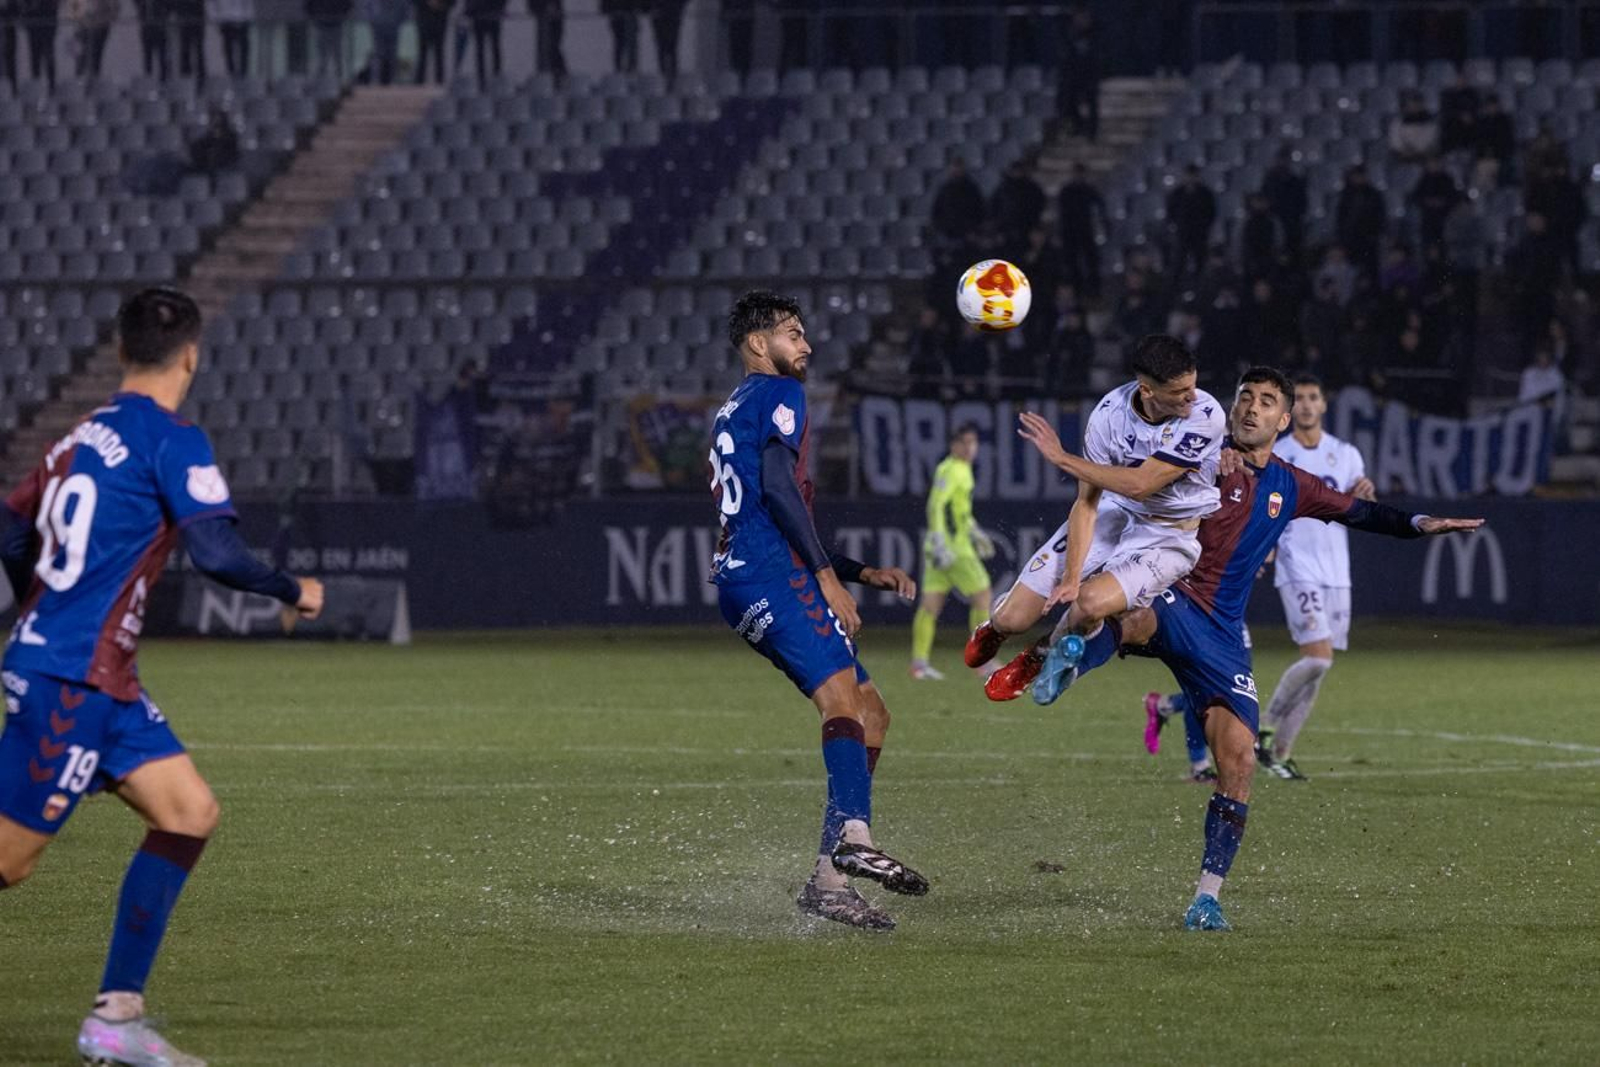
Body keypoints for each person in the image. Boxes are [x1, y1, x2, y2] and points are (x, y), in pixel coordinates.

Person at [1017, 367, 1483, 929]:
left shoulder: (1292, 483)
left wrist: (1421, 522)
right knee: (1137, 613)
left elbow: (1359, 512)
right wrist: (1204, 459)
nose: (1250, 407)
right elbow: (1139, 471)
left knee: (1238, 761)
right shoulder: (1200, 448)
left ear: (1282, 420)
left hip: (1222, 634)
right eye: (1244, 397)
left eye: (1266, 401)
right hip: (1171, 588)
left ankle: (1206, 899)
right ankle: (1070, 661)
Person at [0, 289, 325, 1063]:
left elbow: (11, 528)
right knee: (7, 864)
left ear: (120, 352)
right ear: (192, 355)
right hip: (71, 682)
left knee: (188, 812)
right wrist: (292, 588)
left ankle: (116, 1018)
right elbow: (216, 552)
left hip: (96, 679)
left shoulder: (80, 435)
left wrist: (36, 609)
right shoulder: (170, 440)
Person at [709, 290, 925, 931]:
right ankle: (853, 839)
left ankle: (828, 882)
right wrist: (831, 581)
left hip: (748, 577)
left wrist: (861, 572)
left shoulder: (735, 408)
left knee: (873, 715)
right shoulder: (781, 395)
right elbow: (776, 491)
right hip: (772, 577)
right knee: (841, 700)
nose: (806, 345)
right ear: (759, 344)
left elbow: (773, 507)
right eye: (794, 334)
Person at [964, 335, 1226, 701]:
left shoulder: (1206, 416)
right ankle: (993, 628)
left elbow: (1140, 484)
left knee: (1089, 604)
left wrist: (1062, 458)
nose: (1192, 397)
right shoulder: (1108, 416)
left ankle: (1037, 657)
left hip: (1166, 537)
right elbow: (1087, 503)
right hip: (1112, 512)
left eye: (1193, 384)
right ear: (1147, 391)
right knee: (1014, 618)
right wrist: (1070, 576)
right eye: (1181, 390)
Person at [1254, 375, 1374, 780]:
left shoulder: (1347, 455)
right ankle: (1265, 727)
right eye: (1299, 399)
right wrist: (1263, 547)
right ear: (1289, 410)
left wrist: (1365, 499)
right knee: (1317, 657)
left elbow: (1355, 511)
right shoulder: (1279, 454)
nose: (1306, 405)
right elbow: (1265, 508)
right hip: (1297, 565)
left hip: (1337, 572)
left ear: (1323, 405)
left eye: (1312, 398)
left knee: (1319, 668)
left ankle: (1280, 754)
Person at [910, 424, 996, 681]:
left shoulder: (960, 469)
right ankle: (982, 660)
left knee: (930, 605)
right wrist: (939, 540)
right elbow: (936, 504)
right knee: (983, 595)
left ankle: (919, 664)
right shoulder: (953, 469)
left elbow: (958, 511)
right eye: (965, 443)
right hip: (953, 550)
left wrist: (974, 530)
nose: (970, 448)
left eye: (974, 443)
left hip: (942, 549)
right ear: (954, 445)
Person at [1056, 162, 1105, 298]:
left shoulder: (1089, 191)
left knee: (1091, 263)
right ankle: (1077, 292)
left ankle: (1094, 292)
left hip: (1086, 231)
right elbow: (1062, 214)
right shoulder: (1066, 192)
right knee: (1073, 265)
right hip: (1070, 232)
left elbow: (1100, 210)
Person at [1335, 164, 1386, 281]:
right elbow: (1341, 218)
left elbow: (1380, 217)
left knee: (1370, 271)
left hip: (1369, 239)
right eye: (1356, 176)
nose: (1358, 178)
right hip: (1351, 240)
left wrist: (1375, 233)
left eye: (1361, 175)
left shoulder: (1374, 195)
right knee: (1351, 272)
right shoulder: (1346, 195)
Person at [1166, 164, 1217, 280]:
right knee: (1179, 264)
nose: (1191, 178)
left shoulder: (1205, 194)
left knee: (1200, 263)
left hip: (1200, 234)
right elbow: (1171, 213)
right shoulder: (1177, 194)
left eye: (1193, 175)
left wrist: (1204, 226)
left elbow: (1211, 213)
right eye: (1189, 175)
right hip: (1182, 234)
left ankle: (1200, 289)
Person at [1260, 146, 1307, 262]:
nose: (1283, 162)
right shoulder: (1269, 180)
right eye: (1281, 159)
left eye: (1285, 159)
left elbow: (1302, 204)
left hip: (1292, 225)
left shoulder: (1296, 181)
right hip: (1274, 223)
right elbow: (1265, 200)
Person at [1059, 6, 1099, 140]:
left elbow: (1099, 56)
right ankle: (1077, 127)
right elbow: (1067, 56)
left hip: (1090, 76)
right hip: (1075, 76)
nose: (1081, 20)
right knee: (1068, 102)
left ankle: (1092, 133)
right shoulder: (1070, 35)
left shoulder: (1095, 35)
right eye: (1078, 17)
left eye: (1084, 17)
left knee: (1092, 103)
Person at [930, 157, 984, 247]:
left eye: (959, 166)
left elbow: (979, 210)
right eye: (954, 166)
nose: (957, 169)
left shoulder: (971, 189)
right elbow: (937, 211)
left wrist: (974, 230)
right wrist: (942, 229)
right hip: (948, 234)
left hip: (968, 235)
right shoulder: (945, 189)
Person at [67, 0, 118, 79]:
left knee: (95, 59)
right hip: (82, 28)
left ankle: (94, 83)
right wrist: (79, 18)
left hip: (100, 27)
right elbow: (72, 9)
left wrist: (102, 19)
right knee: (81, 60)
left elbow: (114, 9)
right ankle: (79, 83)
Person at [359, 0, 406, 83]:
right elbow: (366, 8)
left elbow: (404, 7)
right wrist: (372, 21)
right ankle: (376, 80)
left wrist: (399, 21)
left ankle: (392, 80)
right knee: (378, 54)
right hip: (378, 27)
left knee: (392, 55)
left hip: (393, 26)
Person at [464, 0, 504, 86]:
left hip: (491, 14)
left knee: (493, 49)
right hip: (480, 15)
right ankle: (482, 80)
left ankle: (496, 78)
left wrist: (499, 7)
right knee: (482, 49)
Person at [307, 0, 351, 76]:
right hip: (321, 25)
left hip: (335, 24)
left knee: (337, 54)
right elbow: (308, 6)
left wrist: (341, 16)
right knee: (322, 55)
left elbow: (348, 5)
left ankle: (339, 76)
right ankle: (322, 76)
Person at [18, 0, 55, 87]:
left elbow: (53, 7)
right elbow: (25, 8)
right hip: (34, 29)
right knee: (35, 60)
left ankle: (51, 87)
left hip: (47, 29)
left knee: (48, 59)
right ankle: (37, 86)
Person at [211, 0, 253, 76]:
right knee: (228, 50)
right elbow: (212, 4)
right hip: (226, 20)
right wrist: (217, 19)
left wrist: (247, 18)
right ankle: (231, 72)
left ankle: (243, 72)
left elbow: (249, 4)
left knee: (243, 49)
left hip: (241, 20)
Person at [413, 0, 451, 83]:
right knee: (422, 54)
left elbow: (452, 3)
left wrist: (441, 4)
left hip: (440, 21)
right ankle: (419, 83)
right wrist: (427, 2)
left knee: (439, 54)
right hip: (424, 21)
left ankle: (440, 83)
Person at [529, 0, 565, 76]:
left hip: (553, 18)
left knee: (551, 48)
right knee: (546, 49)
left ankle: (559, 74)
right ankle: (554, 74)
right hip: (544, 18)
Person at [650, 0, 685, 77]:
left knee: (668, 46)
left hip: (668, 13)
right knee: (666, 46)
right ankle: (667, 74)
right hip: (666, 13)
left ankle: (668, 74)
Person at [135, 0, 168, 79]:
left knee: (162, 57)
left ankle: (163, 80)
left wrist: (164, 17)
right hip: (146, 28)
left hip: (160, 28)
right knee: (147, 58)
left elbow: (168, 5)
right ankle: (148, 80)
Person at [602, 0, 637, 73]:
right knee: (624, 44)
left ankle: (626, 69)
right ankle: (625, 69)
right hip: (623, 14)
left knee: (625, 44)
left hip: (625, 14)